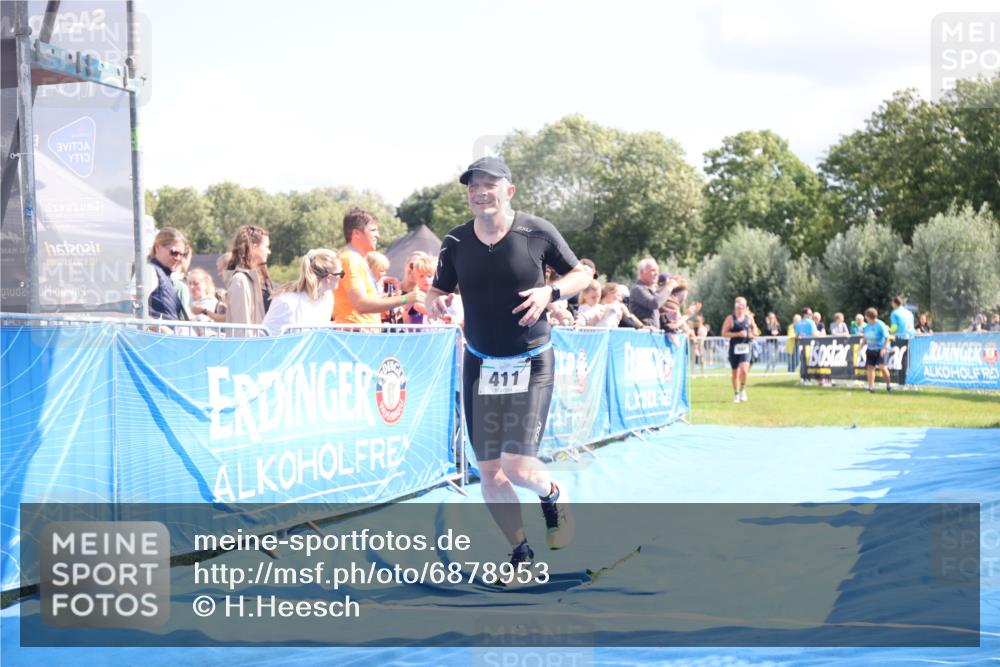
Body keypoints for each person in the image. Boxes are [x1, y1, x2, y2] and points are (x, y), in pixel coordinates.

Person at [426, 156, 591, 570]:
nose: (480, 192)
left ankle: (553, 494)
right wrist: (436, 302)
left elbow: (581, 276)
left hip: (532, 361)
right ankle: (521, 552)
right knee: (490, 473)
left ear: (509, 191)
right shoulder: (456, 242)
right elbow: (435, 291)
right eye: (472, 186)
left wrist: (550, 295)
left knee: (516, 466)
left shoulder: (536, 231)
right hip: (480, 364)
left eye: (489, 184)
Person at [333, 208, 421, 325]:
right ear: (357, 233)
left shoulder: (355, 259)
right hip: (357, 336)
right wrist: (406, 298)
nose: (378, 235)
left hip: (361, 335)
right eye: (373, 230)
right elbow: (361, 305)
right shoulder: (350, 260)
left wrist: (385, 292)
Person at [262, 249, 343, 337]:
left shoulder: (328, 297)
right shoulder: (287, 302)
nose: (341, 277)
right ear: (329, 278)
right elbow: (265, 339)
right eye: (341, 274)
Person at [226, 225, 273, 336]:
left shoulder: (257, 278)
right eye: (266, 247)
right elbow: (242, 328)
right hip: (248, 349)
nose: (269, 252)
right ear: (254, 247)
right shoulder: (240, 281)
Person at [147, 228, 189, 324]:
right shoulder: (150, 271)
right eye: (174, 252)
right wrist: (160, 328)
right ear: (158, 247)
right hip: (157, 337)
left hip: (167, 337)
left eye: (182, 254)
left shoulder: (166, 275)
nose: (178, 258)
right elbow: (134, 306)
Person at [721, 296, 758, 403]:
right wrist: (738, 334)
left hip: (746, 347)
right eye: (738, 305)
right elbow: (724, 333)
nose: (740, 307)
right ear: (735, 306)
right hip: (734, 348)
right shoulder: (730, 318)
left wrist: (753, 333)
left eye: (742, 305)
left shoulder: (749, 318)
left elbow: (755, 329)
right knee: (735, 373)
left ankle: (742, 390)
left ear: (745, 307)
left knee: (745, 370)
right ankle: (736, 394)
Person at [629, 259, 675, 329]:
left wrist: (666, 317)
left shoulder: (650, 290)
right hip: (643, 335)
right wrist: (669, 287)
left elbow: (652, 316)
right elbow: (655, 303)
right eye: (653, 270)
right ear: (642, 272)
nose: (657, 273)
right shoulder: (637, 289)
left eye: (657, 271)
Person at [862, 307, 892, 393]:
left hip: (881, 349)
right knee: (870, 368)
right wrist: (861, 347)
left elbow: (887, 337)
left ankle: (888, 385)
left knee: (882, 367)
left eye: (866, 316)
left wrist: (883, 348)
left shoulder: (880, 325)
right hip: (871, 349)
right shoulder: (867, 326)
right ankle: (871, 388)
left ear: (868, 316)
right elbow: (865, 337)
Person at [187, 268, 225, 335]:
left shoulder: (213, 303)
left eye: (196, 284)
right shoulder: (189, 303)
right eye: (189, 284)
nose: (191, 287)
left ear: (205, 284)